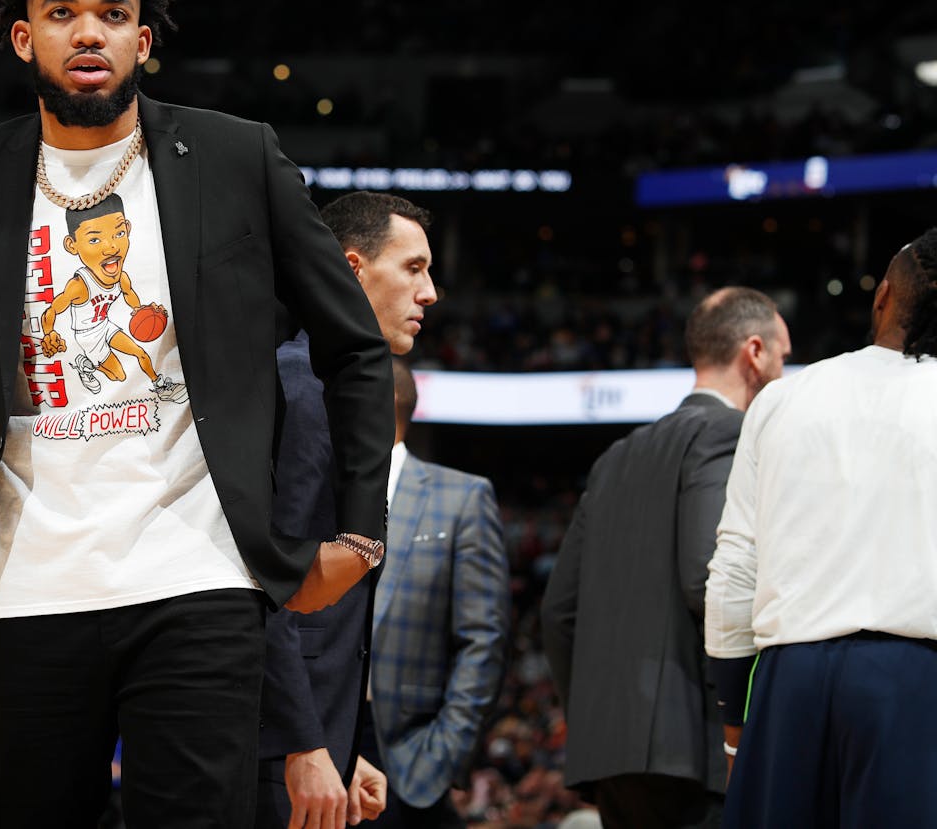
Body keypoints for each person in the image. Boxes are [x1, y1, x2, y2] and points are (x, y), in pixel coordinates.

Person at [0, 0, 394, 829]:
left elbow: (353, 348)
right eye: (61, 12)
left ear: (143, 38)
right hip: (25, 585)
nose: (87, 30)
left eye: (112, 12)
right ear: (23, 38)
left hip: (200, 578)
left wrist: (361, 531)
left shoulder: (234, 155)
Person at [704, 228, 937, 826]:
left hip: (788, 685)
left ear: (883, 296)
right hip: (914, 686)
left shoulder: (784, 398)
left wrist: (736, 721)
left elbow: (732, 572)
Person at [538, 286, 791, 829]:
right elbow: (709, 581)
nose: (783, 372)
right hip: (694, 750)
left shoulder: (616, 455)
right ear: (754, 352)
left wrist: (596, 714)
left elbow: (558, 612)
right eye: (783, 357)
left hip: (611, 754)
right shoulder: (729, 433)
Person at [256, 190, 436, 829]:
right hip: (274, 748)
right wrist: (302, 745)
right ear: (353, 269)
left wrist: (344, 747)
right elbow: (268, 583)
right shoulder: (302, 386)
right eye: (413, 268)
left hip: (315, 737)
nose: (430, 292)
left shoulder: (331, 384)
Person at [360, 355, 510, 828]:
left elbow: (483, 639)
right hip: (316, 742)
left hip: (408, 752)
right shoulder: (314, 488)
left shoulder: (462, 497)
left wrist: (442, 754)